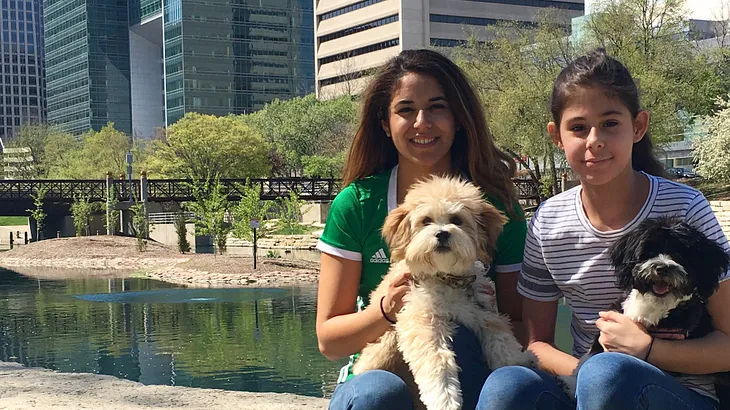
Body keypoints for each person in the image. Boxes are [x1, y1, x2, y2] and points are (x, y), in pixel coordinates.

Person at [477, 49, 730, 410]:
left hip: (681, 393)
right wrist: (589, 368)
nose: (594, 139)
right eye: (578, 128)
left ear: (638, 127)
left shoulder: (684, 208)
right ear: (557, 136)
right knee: (508, 384)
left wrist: (647, 350)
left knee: (609, 374)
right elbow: (537, 344)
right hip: (591, 383)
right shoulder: (548, 222)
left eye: (610, 123)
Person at [315, 49, 528, 410]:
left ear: (459, 118)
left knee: (499, 373)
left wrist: (476, 313)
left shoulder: (496, 209)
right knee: (375, 394)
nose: (422, 122)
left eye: (437, 107)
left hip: (471, 368)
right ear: (385, 123)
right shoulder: (357, 203)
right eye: (405, 109)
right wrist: (384, 311)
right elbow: (329, 341)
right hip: (378, 381)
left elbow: (523, 328)